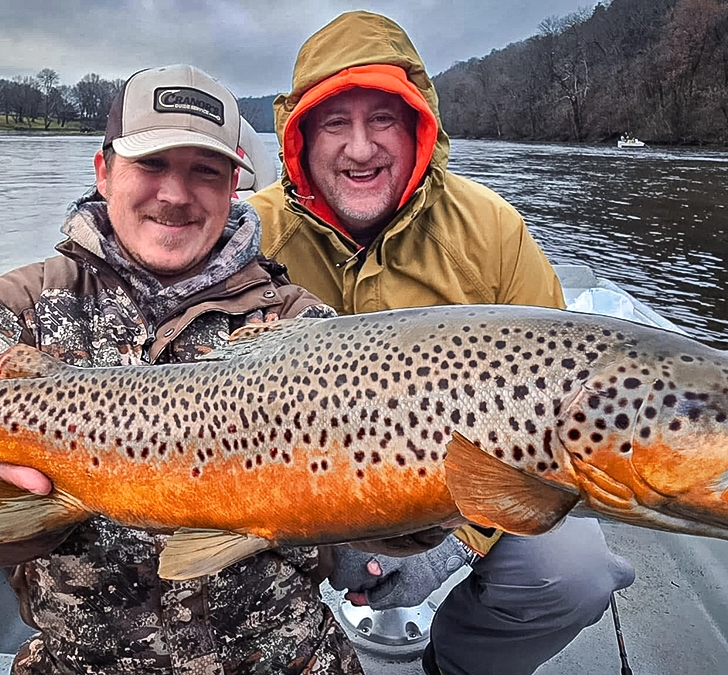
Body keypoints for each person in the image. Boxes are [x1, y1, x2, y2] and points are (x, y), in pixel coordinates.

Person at [0, 64, 363, 675]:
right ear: (103, 171)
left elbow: (386, 527)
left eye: (204, 171)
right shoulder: (18, 309)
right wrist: (0, 476)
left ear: (234, 187)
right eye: (151, 164)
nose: (175, 194)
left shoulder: (305, 326)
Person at [249, 11, 636, 675]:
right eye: (336, 122)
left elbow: (560, 434)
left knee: (574, 571)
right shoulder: (248, 236)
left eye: (384, 119)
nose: (361, 148)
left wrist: (460, 537)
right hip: (279, 491)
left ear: (419, 126)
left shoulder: (492, 233)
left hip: (456, 499)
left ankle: (456, 664)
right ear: (300, 137)